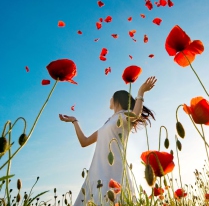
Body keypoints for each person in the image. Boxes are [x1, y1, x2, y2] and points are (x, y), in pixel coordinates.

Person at [59, 76, 157, 206]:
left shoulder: (124, 115)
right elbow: (84, 141)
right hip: (97, 171)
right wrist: (74, 121)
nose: (109, 99)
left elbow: (136, 115)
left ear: (117, 99)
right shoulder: (107, 123)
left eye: (112, 97)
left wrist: (140, 92)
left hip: (114, 169)